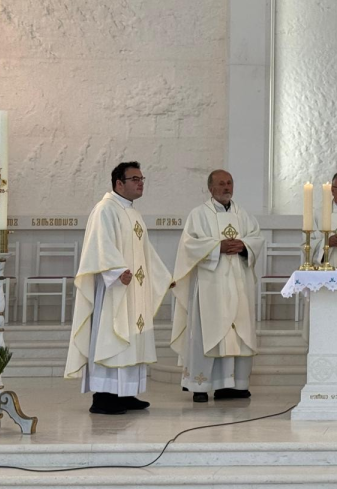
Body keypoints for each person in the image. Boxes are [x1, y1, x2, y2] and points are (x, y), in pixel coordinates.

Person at [65, 162, 172, 415]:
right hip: (113, 288)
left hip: (133, 289)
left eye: (142, 178)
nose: (140, 183)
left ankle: (125, 393)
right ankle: (103, 397)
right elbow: (99, 245)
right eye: (135, 179)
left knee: (131, 338)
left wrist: (163, 277)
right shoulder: (105, 209)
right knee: (112, 337)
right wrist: (115, 271)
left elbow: (146, 252)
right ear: (119, 183)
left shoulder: (133, 213)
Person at [171, 170, 264, 403]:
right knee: (209, 332)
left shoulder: (243, 215)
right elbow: (189, 245)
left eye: (229, 183)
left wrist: (244, 246)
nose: (226, 187)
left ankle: (233, 385)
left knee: (238, 330)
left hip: (238, 282)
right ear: (210, 188)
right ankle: (201, 385)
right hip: (209, 284)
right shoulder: (198, 215)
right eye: (221, 184)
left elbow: (256, 238)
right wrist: (216, 247)